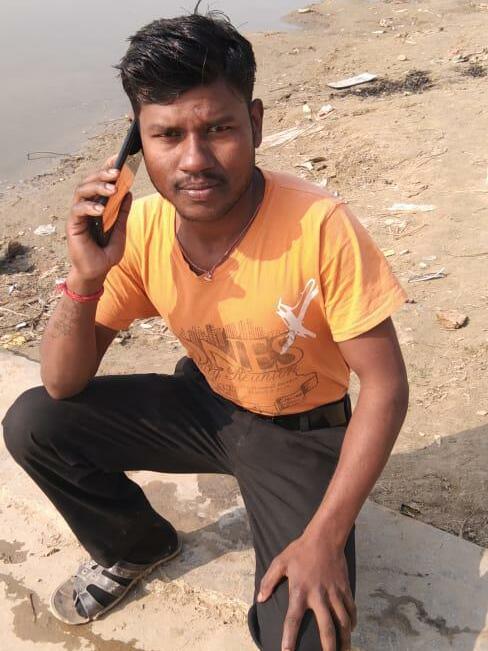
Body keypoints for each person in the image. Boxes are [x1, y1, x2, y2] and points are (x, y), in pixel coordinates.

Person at [2, 10, 409, 651]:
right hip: (205, 403)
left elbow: (385, 387)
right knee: (35, 422)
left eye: (218, 128)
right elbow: (61, 382)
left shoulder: (320, 226)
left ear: (256, 124)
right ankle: (135, 545)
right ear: (135, 147)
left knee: (306, 636)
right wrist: (84, 277)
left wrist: (324, 538)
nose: (194, 161)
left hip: (298, 433)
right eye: (166, 135)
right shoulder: (140, 228)